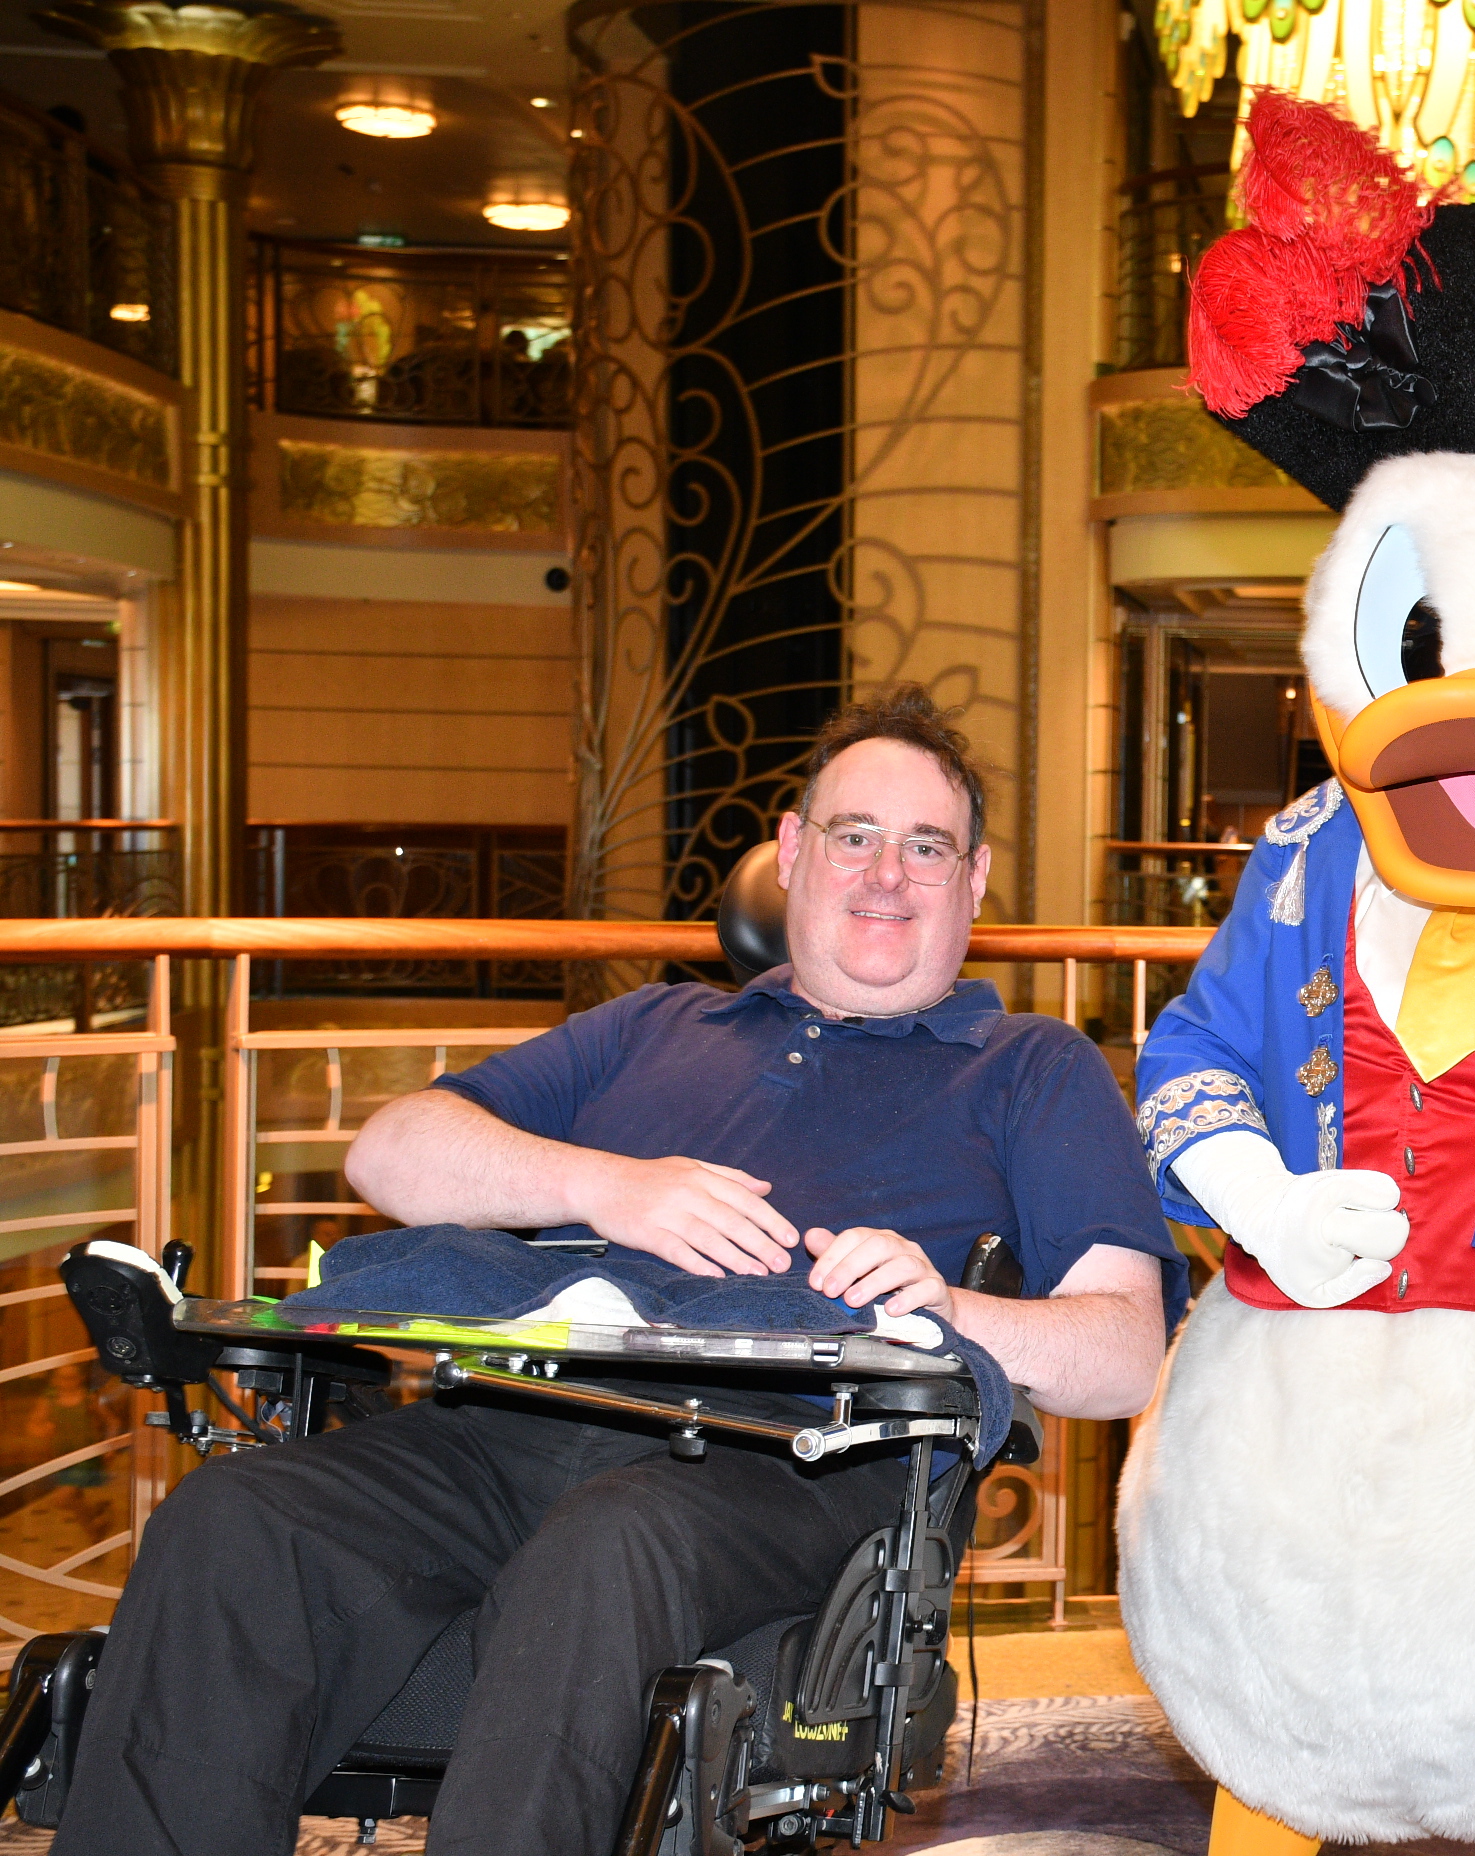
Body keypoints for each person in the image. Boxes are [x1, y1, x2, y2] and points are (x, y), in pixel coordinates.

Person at [55, 688, 1185, 1856]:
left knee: (610, 1539)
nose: (887, 873)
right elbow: (388, 1150)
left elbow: (1122, 1351)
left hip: (793, 1457)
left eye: (927, 845)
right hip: (512, 1422)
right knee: (235, 1517)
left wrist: (943, 1305)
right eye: (854, 834)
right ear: (793, 851)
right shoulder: (656, 1025)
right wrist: (605, 1184)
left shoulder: (1029, 1066)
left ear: (975, 877)